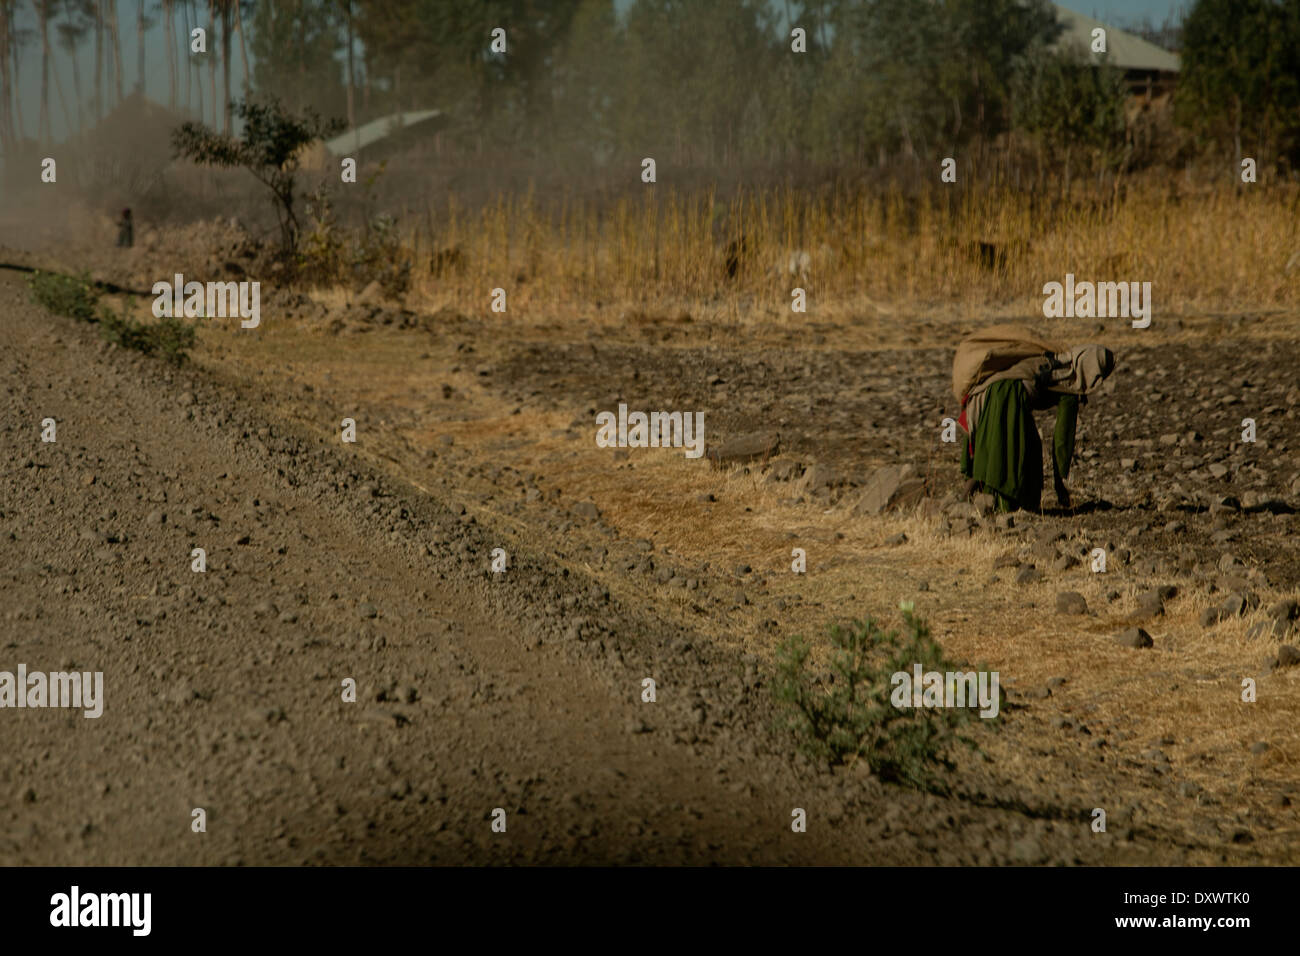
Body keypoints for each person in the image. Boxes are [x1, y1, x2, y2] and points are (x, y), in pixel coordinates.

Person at [957, 344, 1116, 513]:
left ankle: (965, 501)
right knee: (1010, 451)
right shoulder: (1069, 382)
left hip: (988, 391)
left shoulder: (1054, 360)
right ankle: (1004, 507)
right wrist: (1059, 482)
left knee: (997, 447)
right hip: (1007, 394)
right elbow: (1062, 440)